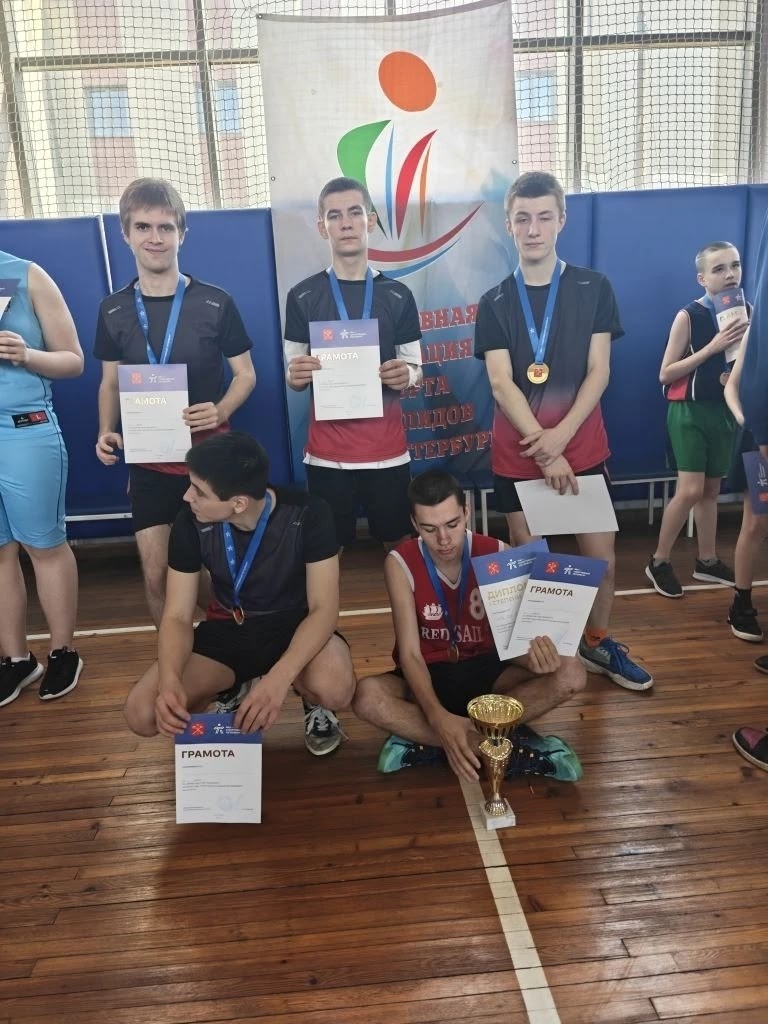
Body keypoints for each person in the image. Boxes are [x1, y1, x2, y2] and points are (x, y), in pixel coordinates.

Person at [474, 170, 652, 692]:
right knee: (534, 566)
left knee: (603, 564)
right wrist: (546, 451)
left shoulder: (593, 287)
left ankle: (597, 642)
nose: (533, 229)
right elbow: (501, 383)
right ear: (508, 224)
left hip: (583, 450)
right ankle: (539, 656)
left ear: (561, 221)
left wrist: (561, 440)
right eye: (523, 219)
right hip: (519, 457)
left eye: (544, 217)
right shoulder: (495, 301)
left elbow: (600, 371)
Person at [123, 432, 356, 755]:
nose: (188, 497)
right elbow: (176, 616)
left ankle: (310, 699)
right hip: (230, 627)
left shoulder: (309, 513)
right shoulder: (190, 522)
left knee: (335, 688)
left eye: (199, 491)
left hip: (294, 625)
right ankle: (234, 684)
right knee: (142, 713)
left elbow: (324, 609)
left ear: (238, 503)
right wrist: (170, 680)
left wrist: (278, 681)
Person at [94, 178, 257, 626]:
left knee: (212, 577)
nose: (155, 237)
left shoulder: (216, 302)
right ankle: (175, 662)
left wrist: (221, 410)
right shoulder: (113, 309)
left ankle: (228, 647)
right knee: (156, 577)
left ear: (181, 233)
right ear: (125, 234)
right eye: (143, 227)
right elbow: (109, 383)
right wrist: (106, 430)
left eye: (166, 227)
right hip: (148, 465)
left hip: (207, 461)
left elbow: (246, 375)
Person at [353, 470, 586, 782]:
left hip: (488, 674)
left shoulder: (499, 553)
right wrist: (437, 717)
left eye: (452, 524)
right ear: (414, 523)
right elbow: (410, 654)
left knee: (571, 672)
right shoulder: (399, 562)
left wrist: (536, 657)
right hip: (429, 676)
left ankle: (434, 743)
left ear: (466, 512)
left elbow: (515, 645)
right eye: (430, 529)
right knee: (367, 696)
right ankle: (498, 746)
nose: (444, 539)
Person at [284, 175, 422, 550]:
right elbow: (293, 374)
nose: (345, 223)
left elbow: (415, 368)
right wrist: (296, 374)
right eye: (335, 215)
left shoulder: (398, 294)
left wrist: (406, 375)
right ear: (322, 227)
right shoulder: (302, 296)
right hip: (327, 457)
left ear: (370, 220)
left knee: (398, 549)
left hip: (387, 453)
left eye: (354, 212)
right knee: (328, 552)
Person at [0, 250, 84, 706]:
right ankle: (16, 659)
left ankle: (62, 651)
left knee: (44, 546)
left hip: (24, 429)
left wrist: (26, 354)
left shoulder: (27, 275)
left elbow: (74, 361)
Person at [645, 242, 745, 599]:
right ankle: (658, 561)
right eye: (719, 269)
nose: (730, 274)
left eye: (735, 265)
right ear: (702, 278)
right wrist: (712, 348)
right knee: (689, 490)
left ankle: (706, 560)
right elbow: (665, 373)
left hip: (724, 411)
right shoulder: (688, 316)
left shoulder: (746, 311)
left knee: (711, 490)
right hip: (688, 411)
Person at [722, 327, 768, 642]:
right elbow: (732, 387)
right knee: (755, 523)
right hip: (759, 438)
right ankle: (741, 602)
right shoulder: (757, 330)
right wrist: (746, 421)